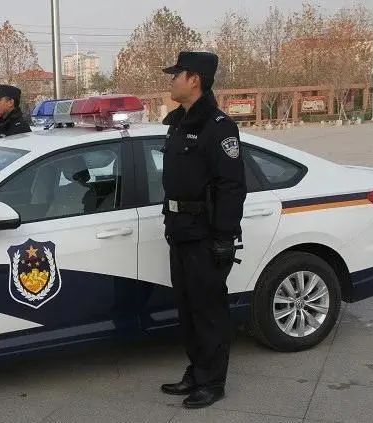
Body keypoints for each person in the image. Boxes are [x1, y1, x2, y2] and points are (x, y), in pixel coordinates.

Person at [159, 52, 247, 408]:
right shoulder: (179, 122)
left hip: (205, 234)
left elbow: (231, 186)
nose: (172, 80)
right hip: (180, 230)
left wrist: (224, 237)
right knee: (187, 307)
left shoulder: (218, 126)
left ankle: (212, 382)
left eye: (176, 74)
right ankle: (196, 372)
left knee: (208, 310)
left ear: (194, 79)